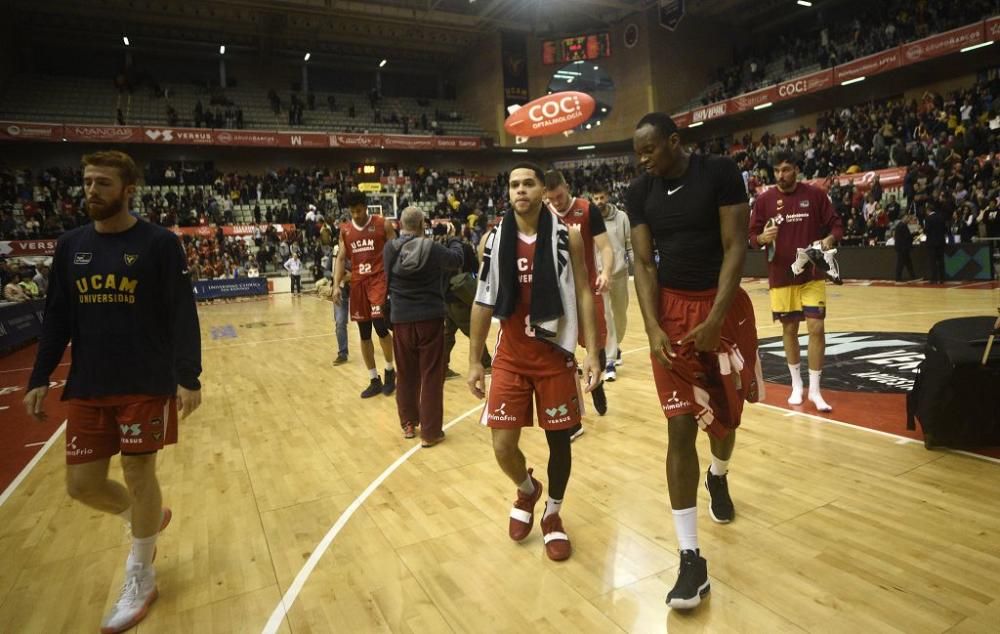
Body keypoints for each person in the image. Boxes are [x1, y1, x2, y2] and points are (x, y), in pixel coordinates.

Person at [22, 150, 202, 633]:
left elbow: (182, 311)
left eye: (103, 183)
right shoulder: (69, 245)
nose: (92, 191)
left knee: (139, 470)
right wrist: (39, 376)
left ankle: (141, 574)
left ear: (128, 189)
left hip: (146, 380)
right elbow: (57, 315)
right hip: (89, 382)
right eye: (87, 182)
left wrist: (189, 376)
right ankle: (145, 517)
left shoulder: (159, 244)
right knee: (80, 485)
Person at [628, 113, 761, 609]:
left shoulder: (720, 172)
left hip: (721, 311)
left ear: (674, 142)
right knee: (679, 427)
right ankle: (690, 559)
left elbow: (735, 247)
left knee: (724, 424)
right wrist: (652, 325)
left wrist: (716, 317)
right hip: (671, 316)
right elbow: (644, 263)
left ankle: (719, 475)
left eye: (650, 151)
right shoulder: (639, 192)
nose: (643, 161)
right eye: (638, 154)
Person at [468, 162, 602, 562]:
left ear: (543, 190)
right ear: (507, 193)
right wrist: (475, 360)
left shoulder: (569, 237)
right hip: (511, 355)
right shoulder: (493, 240)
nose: (520, 190)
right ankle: (528, 489)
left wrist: (592, 350)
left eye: (528, 183)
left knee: (559, 442)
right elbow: (483, 299)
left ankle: (554, 515)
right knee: (503, 444)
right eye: (514, 185)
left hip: (554, 355)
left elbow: (583, 293)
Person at [749, 150, 842, 413]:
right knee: (789, 330)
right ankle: (796, 384)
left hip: (811, 275)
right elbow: (752, 236)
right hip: (780, 276)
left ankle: (815, 390)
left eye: (786, 169)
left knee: (816, 328)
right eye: (777, 170)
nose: (781, 175)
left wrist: (828, 240)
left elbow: (837, 226)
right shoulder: (764, 200)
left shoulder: (814, 195)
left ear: (796, 170)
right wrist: (762, 239)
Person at [543, 170, 614, 440]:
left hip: (587, 288)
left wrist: (606, 271)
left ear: (567, 186)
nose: (557, 203)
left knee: (596, 346)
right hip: (557, 295)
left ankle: (597, 385)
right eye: (551, 199)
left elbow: (605, 247)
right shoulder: (544, 214)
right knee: (561, 353)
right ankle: (573, 414)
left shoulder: (587, 210)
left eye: (559, 196)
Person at [384, 207, 464, 444]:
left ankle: (408, 424)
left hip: (401, 320)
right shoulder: (433, 248)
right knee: (431, 375)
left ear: (400, 224)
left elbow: (387, 278)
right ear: (422, 225)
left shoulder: (390, 248)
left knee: (406, 375)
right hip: (430, 318)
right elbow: (458, 259)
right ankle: (430, 432)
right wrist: (453, 238)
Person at [333, 192, 396, 398]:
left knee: (380, 324)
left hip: (379, 280)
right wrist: (336, 285)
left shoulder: (382, 224)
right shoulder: (346, 231)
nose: (356, 214)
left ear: (366, 207)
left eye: (358, 210)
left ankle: (389, 371)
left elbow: (395, 250)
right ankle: (373, 379)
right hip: (358, 283)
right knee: (364, 332)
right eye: (352, 211)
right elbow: (341, 259)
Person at [439, 223, 492, 378]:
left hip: (445, 298)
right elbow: (476, 266)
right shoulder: (464, 247)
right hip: (459, 296)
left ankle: (441, 368)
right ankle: (487, 364)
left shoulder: (438, 248)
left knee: (447, 335)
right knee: (474, 331)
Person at [591, 182, 632, 381]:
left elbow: (629, 245)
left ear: (608, 196)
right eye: (595, 198)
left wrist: (635, 268)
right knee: (606, 317)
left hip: (620, 274)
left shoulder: (622, 217)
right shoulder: (590, 219)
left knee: (621, 316)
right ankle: (609, 360)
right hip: (601, 277)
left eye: (602, 197)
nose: (599, 202)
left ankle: (616, 347)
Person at [923, 205, 947, 284]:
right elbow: (945, 229)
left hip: (932, 243)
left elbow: (927, 230)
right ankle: (942, 278)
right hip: (941, 242)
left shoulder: (928, 219)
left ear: (928, 210)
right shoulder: (941, 217)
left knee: (933, 261)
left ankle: (934, 278)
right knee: (941, 261)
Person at [893, 214, 916, 282]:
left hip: (902, 248)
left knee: (908, 263)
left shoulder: (901, 225)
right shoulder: (902, 226)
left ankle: (913, 277)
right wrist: (916, 233)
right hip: (902, 248)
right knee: (901, 264)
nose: (908, 220)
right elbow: (907, 237)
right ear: (904, 218)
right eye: (907, 218)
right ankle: (898, 278)